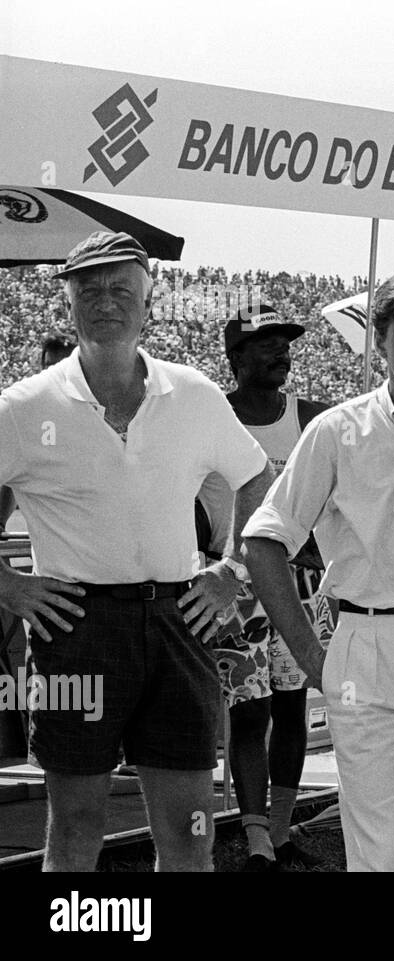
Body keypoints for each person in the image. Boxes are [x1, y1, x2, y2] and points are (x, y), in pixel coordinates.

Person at [0, 231, 273, 871]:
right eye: (89, 289)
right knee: (74, 829)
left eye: (122, 288)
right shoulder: (23, 407)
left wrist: (233, 569)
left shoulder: (195, 395)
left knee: (190, 829)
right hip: (77, 625)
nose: (105, 301)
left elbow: (260, 483)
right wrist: (7, 585)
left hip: (179, 620)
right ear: (66, 305)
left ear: (149, 302)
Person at [243, 269, 394, 872]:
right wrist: (311, 658)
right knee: (381, 850)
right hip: (368, 641)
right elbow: (264, 541)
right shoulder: (338, 430)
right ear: (380, 342)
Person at [197, 303, 330, 871]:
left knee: (294, 709)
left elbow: (338, 501)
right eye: (265, 343)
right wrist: (208, 552)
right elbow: (185, 501)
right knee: (249, 713)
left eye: (285, 341)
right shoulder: (210, 420)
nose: (280, 351)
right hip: (235, 588)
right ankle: (254, 842)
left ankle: (278, 832)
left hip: (300, 585)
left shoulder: (313, 417)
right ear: (234, 356)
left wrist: (320, 550)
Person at [1, 332, 78, 532]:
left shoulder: (103, 408)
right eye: (48, 366)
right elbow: (11, 474)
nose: (54, 373)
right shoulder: (27, 411)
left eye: (61, 365)